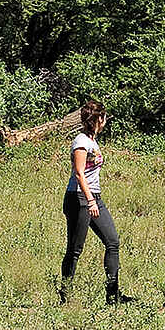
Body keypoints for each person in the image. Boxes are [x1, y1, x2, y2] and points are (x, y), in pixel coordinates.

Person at [61, 100, 133, 304]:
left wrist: (94, 199)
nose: (105, 122)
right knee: (75, 249)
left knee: (112, 241)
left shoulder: (92, 140)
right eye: (103, 118)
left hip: (95, 197)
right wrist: (90, 201)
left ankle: (113, 294)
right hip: (79, 198)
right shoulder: (81, 142)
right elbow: (79, 174)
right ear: (97, 119)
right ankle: (65, 296)